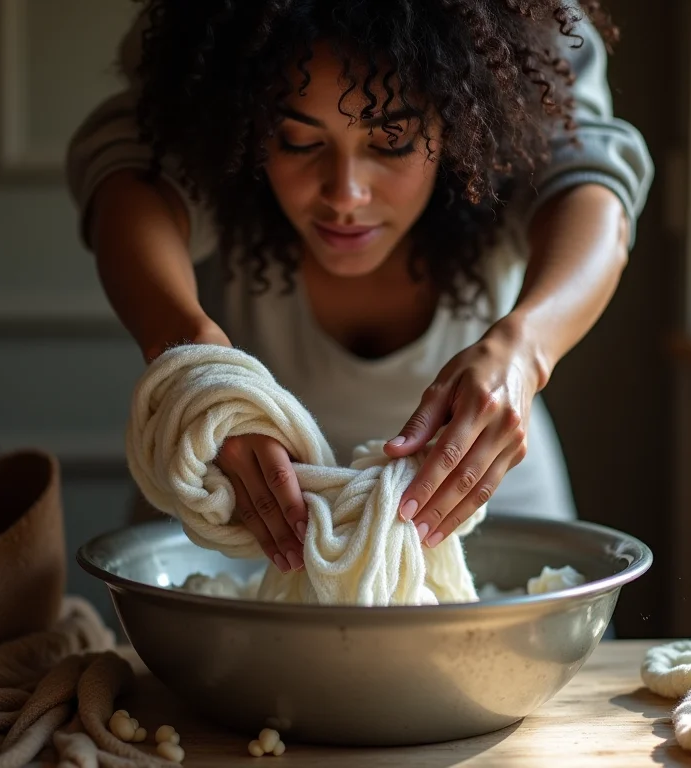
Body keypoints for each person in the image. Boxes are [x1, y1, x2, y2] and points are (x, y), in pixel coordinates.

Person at [66, 0, 653, 576]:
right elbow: (129, 177)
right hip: (232, 495)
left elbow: (590, 184)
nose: (345, 194)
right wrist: (195, 367)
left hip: (482, 489)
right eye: (297, 140)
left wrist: (525, 350)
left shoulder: (524, 53)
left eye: (391, 140)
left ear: (463, 126)